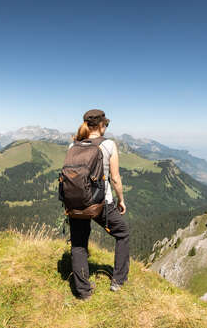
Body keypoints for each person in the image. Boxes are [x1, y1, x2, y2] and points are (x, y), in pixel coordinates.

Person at [67, 109, 129, 300]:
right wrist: (121, 200)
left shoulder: (73, 145)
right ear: (102, 125)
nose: (106, 127)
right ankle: (118, 281)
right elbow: (115, 178)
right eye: (106, 124)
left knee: (79, 244)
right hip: (101, 203)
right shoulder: (109, 145)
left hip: (76, 204)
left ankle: (83, 292)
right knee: (122, 233)